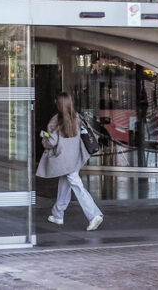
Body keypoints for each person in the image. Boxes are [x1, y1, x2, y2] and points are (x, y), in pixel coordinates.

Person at [36, 92, 103, 231]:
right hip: (75, 158)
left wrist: (44, 135)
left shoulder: (56, 120)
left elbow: (52, 141)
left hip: (63, 159)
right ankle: (57, 214)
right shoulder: (77, 118)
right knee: (65, 183)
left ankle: (94, 214)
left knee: (77, 185)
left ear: (58, 104)